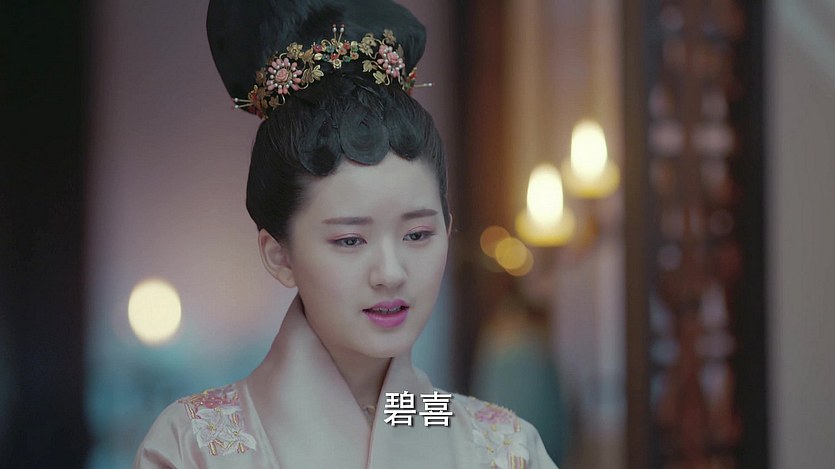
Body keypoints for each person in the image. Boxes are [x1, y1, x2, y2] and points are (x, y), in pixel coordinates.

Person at [134, 1, 559, 467]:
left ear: (448, 229)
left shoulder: (506, 448)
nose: (391, 273)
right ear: (279, 255)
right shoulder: (191, 445)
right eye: (350, 240)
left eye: (418, 234)